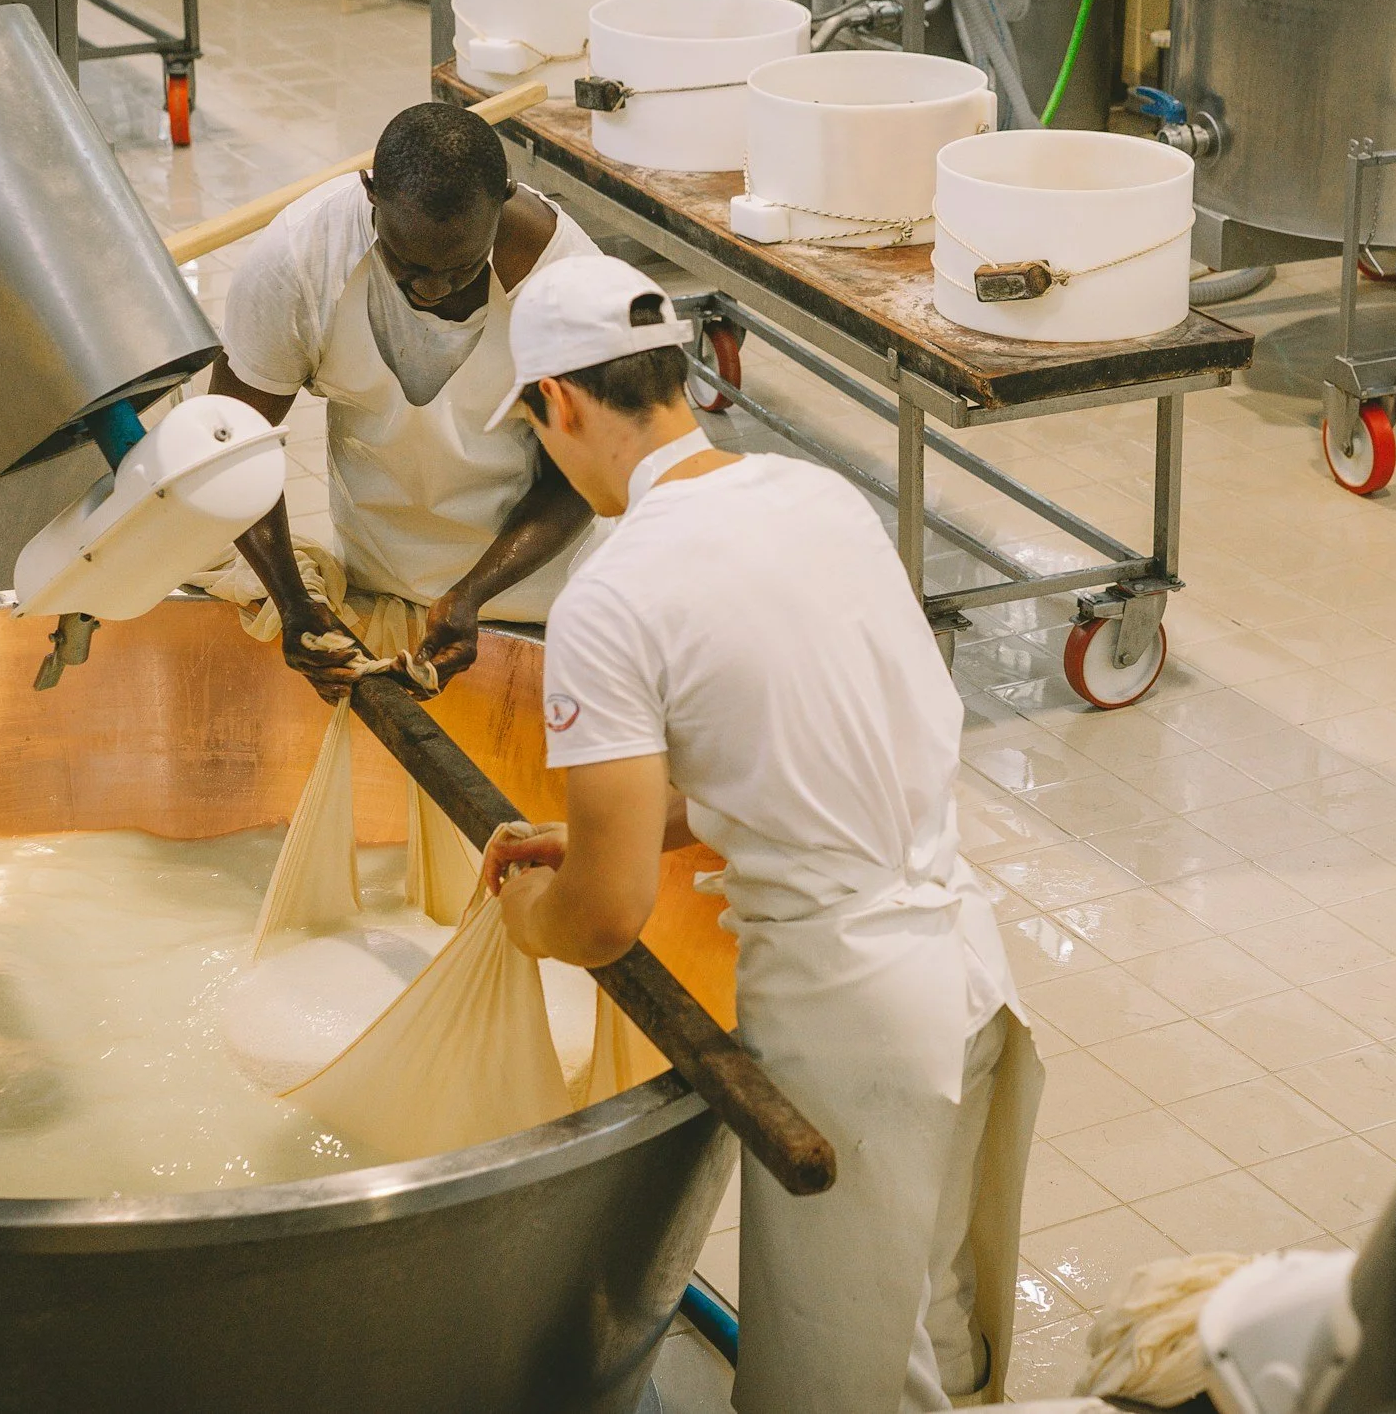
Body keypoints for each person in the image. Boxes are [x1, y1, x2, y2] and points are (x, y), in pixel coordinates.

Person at [476, 255, 1042, 1413]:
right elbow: (802, 754)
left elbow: (604, 917)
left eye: (537, 423)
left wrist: (532, 913)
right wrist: (600, 834)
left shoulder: (611, 590)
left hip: (855, 1024)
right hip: (969, 974)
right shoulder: (814, 495)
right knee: (930, 1342)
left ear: (562, 403)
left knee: (832, 1389)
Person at [210, 102, 601, 696]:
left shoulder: (567, 285)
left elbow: (579, 478)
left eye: (462, 267)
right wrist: (292, 602)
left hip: (539, 594)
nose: (431, 288)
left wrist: (471, 595)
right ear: (371, 195)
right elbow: (231, 445)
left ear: (505, 199)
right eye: (407, 264)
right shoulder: (298, 262)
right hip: (378, 578)